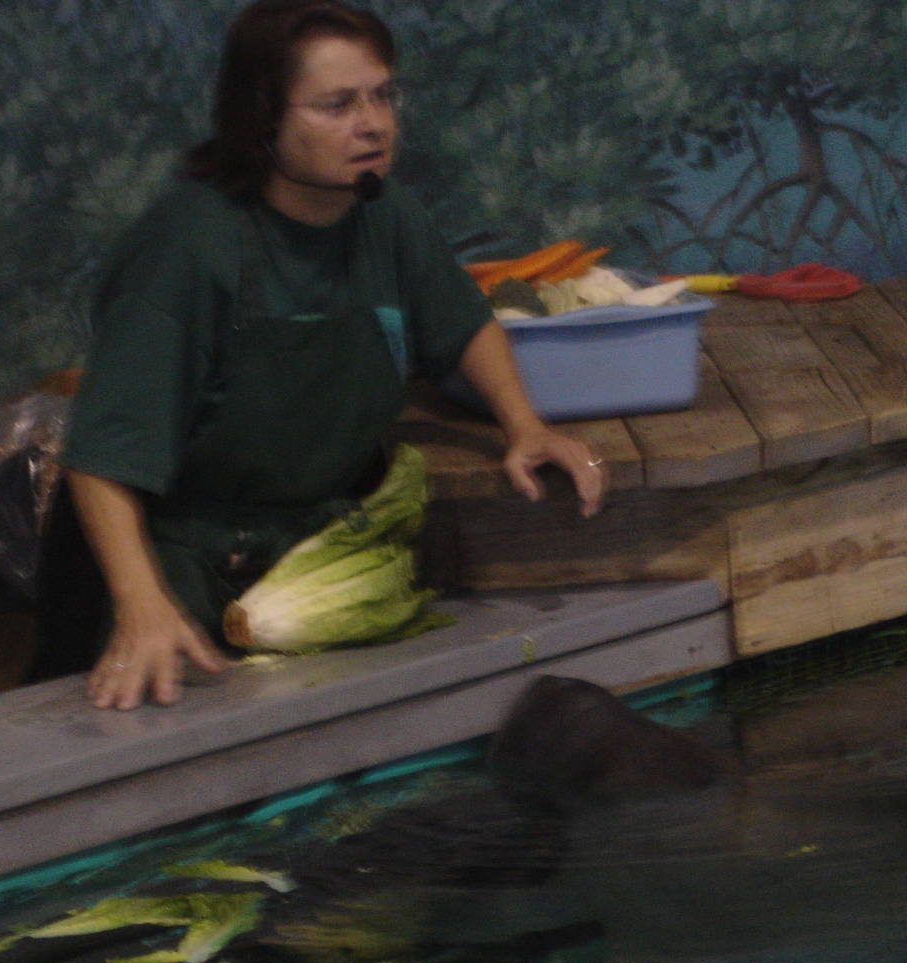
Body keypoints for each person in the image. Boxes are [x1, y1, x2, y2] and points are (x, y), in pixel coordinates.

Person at [36, 0, 608, 710]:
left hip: (310, 552)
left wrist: (524, 425)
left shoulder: (382, 211)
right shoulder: (188, 247)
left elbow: (462, 322)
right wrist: (142, 604)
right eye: (337, 105)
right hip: (179, 560)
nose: (373, 124)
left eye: (382, 96)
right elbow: (101, 456)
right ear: (263, 118)